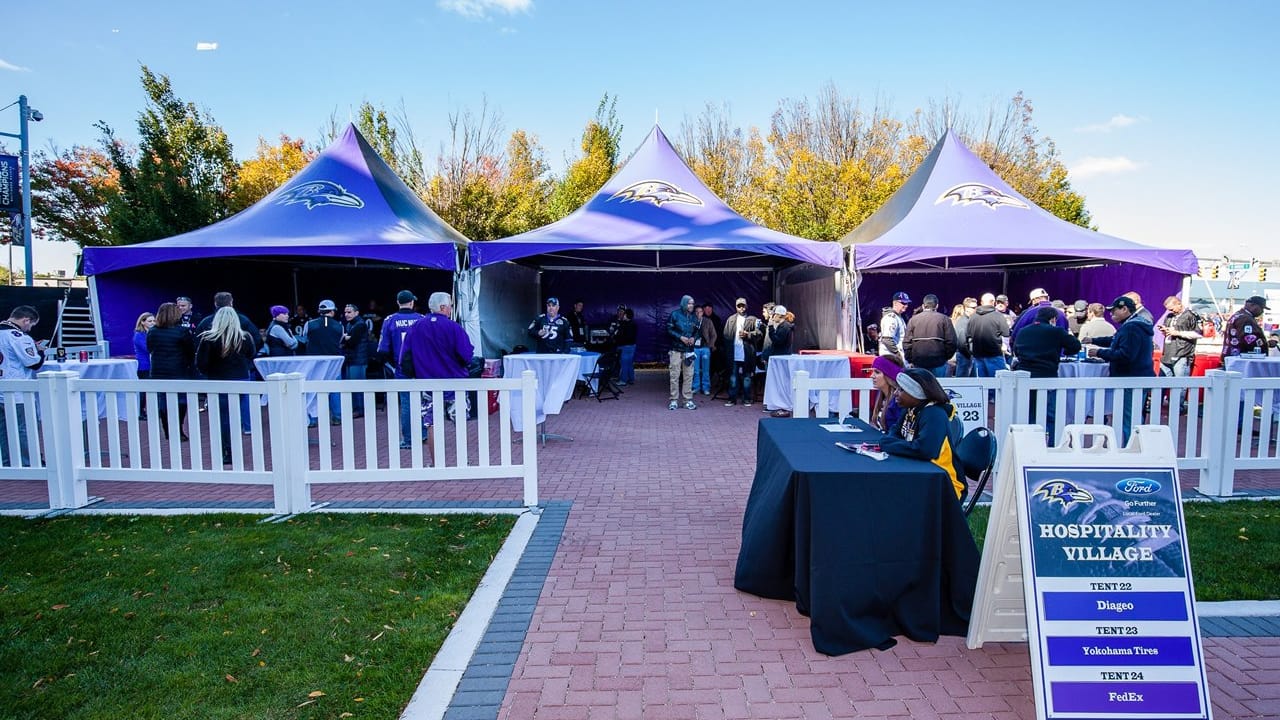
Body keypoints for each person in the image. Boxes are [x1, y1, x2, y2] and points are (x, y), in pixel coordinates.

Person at [880, 368, 966, 502]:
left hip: (944, 484)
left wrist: (888, 445)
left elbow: (925, 450)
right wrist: (890, 443)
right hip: (921, 474)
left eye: (901, 390)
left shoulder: (934, 414)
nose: (896, 393)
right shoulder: (910, 409)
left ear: (917, 394)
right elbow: (895, 431)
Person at [401, 292, 475, 446]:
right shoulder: (454, 327)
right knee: (460, 423)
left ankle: (436, 463)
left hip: (428, 385)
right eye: (450, 306)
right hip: (455, 384)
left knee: (432, 425)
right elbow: (466, 355)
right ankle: (463, 462)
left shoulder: (416, 327)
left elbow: (405, 358)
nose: (450, 309)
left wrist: (416, 375)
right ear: (443, 307)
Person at [196, 307, 258, 464]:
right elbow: (252, 355)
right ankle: (239, 444)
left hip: (219, 381)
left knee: (224, 418)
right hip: (242, 380)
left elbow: (201, 363)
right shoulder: (245, 337)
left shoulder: (208, 338)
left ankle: (228, 451)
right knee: (240, 413)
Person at [1091, 296, 1155, 442]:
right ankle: (1134, 447)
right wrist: (1095, 341)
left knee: (1129, 418)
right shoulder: (1135, 325)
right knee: (1133, 416)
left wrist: (1099, 352)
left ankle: (1130, 448)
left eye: (1114, 311)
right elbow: (1116, 341)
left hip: (1130, 379)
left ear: (1124, 309)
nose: (1111, 314)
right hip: (1139, 377)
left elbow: (1126, 355)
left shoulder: (1131, 327)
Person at [1014, 306, 1082, 439]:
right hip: (1047, 374)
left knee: (1029, 411)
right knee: (1050, 413)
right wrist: (1064, 351)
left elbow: (1016, 349)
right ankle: (1051, 443)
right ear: (1053, 319)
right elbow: (1075, 346)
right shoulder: (1056, 331)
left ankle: (1029, 440)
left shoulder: (1023, 331)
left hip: (1025, 375)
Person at [0, 306, 47, 466]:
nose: (30, 328)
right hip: (17, 389)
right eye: (31, 325)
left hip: (1, 386)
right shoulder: (18, 336)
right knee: (24, 427)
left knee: (3, 429)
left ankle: (8, 460)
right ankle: (29, 461)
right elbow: (33, 363)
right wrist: (40, 352)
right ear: (26, 320)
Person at [379, 290, 426, 443]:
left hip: (400, 369)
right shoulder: (421, 319)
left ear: (398, 302)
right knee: (423, 402)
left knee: (406, 403)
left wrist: (391, 366)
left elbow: (383, 349)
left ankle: (409, 438)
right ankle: (424, 434)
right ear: (412, 302)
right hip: (421, 368)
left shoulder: (390, 320)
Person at [148, 302, 195, 440]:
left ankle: (168, 429)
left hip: (158, 371)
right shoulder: (182, 331)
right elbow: (190, 352)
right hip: (178, 370)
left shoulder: (153, 331)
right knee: (181, 400)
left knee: (163, 401)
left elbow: (150, 349)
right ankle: (178, 428)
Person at [301, 299, 344, 426]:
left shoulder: (309, 324)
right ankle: (337, 416)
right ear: (332, 311)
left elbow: (304, 338)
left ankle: (313, 418)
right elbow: (340, 341)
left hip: (314, 361)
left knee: (313, 389)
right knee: (335, 389)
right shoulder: (339, 326)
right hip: (333, 361)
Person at [903, 294, 957, 377]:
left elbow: (907, 342)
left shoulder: (913, 320)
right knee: (938, 387)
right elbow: (951, 341)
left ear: (923, 306)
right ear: (937, 306)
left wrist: (910, 359)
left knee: (920, 388)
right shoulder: (944, 319)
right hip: (939, 361)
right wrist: (946, 357)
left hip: (918, 361)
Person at [194, 292, 264, 354]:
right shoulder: (243, 320)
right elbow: (257, 340)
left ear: (215, 303)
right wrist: (246, 358)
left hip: (214, 365)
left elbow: (198, 343)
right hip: (239, 364)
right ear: (231, 303)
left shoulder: (205, 322)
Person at [722, 298, 762, 407]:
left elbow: (759, 333)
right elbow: (725, 335)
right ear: (736, 307)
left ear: (747, 306)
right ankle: (732, 399)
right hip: (734, 353)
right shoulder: (730, 319)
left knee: (747, 377)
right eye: (739, 306)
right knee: (733, 377)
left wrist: (748, 335)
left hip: (747, 353)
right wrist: (728, 350)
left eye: (743, 306)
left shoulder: (752, 319)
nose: (741, 308)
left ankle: (747, 399)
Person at [666, 294, 700, 410]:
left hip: (689, 351)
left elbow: (697, 331)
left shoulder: (694, 317)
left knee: (689, 376)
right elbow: (668, 329)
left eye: (692, 303)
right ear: (684, 303)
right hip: (675, 350)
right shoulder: (675, 314)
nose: (691, 305)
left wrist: (693, 339)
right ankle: (674, 400)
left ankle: (687, 400)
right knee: (674, 375)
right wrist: (680, 337)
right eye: (689, 303)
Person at [1157, 296, 1201, 379]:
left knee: (1180, 386)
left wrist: (1178, 333)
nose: (1171, 311)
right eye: (1169, 309)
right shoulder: (1169, 316)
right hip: (1167, 354)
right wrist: (1165, 330)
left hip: (1182, 355)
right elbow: (1169, 333)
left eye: (1172, 309)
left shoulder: (1191, 315)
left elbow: (1198, 334)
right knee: (1161, 384)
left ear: (1179, 304)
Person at [968, 293, 1010, 377]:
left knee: (983, 386)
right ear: (993, 302)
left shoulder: (972, 317)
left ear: (981, 302)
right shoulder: (999, 316)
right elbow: (1006, 334)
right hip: (994, 354)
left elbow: (969, 336)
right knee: (998, 384)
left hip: (978, 355)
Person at [340, 304, 371, 418]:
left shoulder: (360, 325)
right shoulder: (349, 324)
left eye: (349, 312)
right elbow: (347, 340)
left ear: (356, 313)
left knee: (358, 386)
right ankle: (355, 408)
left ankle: (360, 409)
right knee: (351, 386)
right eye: (345, 312)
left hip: (358, 360)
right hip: (351, 359)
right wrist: (346, 338)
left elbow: (352, 342)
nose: (346, 314)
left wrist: (345, 338)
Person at [869, 354, 905, 433]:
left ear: (889, 376)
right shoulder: (880, 395)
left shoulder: (898, 402)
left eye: (877, 372)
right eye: (872, 371)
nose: (872, 376)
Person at [133, 312, 156, 420]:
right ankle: (140, 411)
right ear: (142, 322)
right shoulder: (139, 335)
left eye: (153, 321)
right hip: (144, 365)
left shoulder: (152, 333)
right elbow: (147, 348)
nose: (152, 323)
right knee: (144, 389)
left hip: (152, 364)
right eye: (150, 321)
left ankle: (147, 410)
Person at [608, 305, 637, 386]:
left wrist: (616, 338)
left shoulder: (624, 324)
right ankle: (631, 379)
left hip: (624, 347)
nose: (622, 315)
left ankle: (623, 380)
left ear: (626, 315)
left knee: (624, 364)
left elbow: (620, 336)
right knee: (629, 363)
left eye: (624, 314)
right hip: (632, 346)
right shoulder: (633, 324)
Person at [692, 304, 717, 396]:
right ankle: (696, 387)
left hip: (705, 348)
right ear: (694, 313)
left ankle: (706, 388)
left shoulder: (708, 321)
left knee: (706, 370)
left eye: (700, 311)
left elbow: (713, 334)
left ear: (703, 313)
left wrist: (710, 345)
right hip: (695, 348)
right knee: (696, 370)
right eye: (697, 312)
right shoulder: (692, 322)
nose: (698, 313)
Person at [878, 292, 910, 360]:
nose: (906, 305)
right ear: (895, 303)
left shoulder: (899, 317)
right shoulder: (891, 318)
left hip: (895, 357)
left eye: (907, 303)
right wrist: (898, 355)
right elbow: (887, 339)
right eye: (903, 303)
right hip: (891, 357)